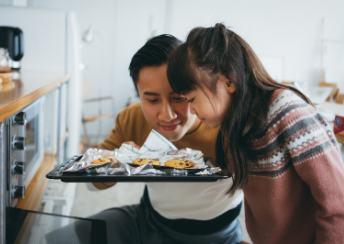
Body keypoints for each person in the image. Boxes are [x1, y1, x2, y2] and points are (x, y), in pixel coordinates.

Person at [166, 23, 344, 244]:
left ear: (228, 81)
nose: (191, 110)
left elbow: (337, 205)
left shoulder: (288, 114)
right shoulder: (234, 124)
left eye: (192, 99)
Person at [87, 34, 244, 244]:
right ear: (138, 96)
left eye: (179, 97)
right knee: (68, 237)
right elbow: (89, 181)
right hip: (149, 222)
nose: (167, 115)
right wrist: (117, 167)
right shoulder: (132, 118)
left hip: (218, 234)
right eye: (152, 100)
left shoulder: (226, 124)